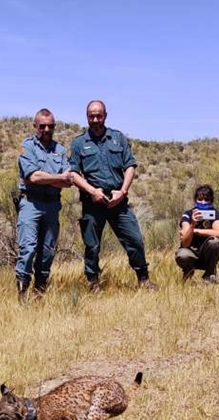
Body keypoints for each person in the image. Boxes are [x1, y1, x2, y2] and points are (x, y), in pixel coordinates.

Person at [69, 100, 157, 292]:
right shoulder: (79, 143)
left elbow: (130, 166)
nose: (95, 119)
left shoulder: (118, 138)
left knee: (134, 240)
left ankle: (143, 279)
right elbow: (73, 173)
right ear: (87, 117)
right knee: (92, 245)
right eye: (91, 116)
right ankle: (93, 283)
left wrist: (123, 191)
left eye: (98, 115)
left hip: (118, 201)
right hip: (93, 202)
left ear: (105, 116)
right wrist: (92, 191)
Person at [15, 108, 76, 302]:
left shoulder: (59, 150)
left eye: (50, 126)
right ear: (35, 126)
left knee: (47, 250)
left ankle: (39, 292)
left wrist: (45, 178)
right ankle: (22, 294)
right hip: (31, 203)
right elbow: (32, 176)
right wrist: (57, 177)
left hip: (52, 205)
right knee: (28, 248)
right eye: (42, 126)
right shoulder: (27, 146)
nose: (47, 129)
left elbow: (68, 181)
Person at [175, 184, 219, 284]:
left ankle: (210, 274)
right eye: (200, 199)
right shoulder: (188, 214)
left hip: (206, 252)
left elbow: (218, 233)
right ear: (195, 200)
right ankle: (188, 272)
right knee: (182, 255)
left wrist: (195, 231)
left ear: (211, 201)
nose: (203, 202)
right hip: (191, 251)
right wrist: (192, 224)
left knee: (215, 243)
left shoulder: (214, 214)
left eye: (206, 199)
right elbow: (185, 244)